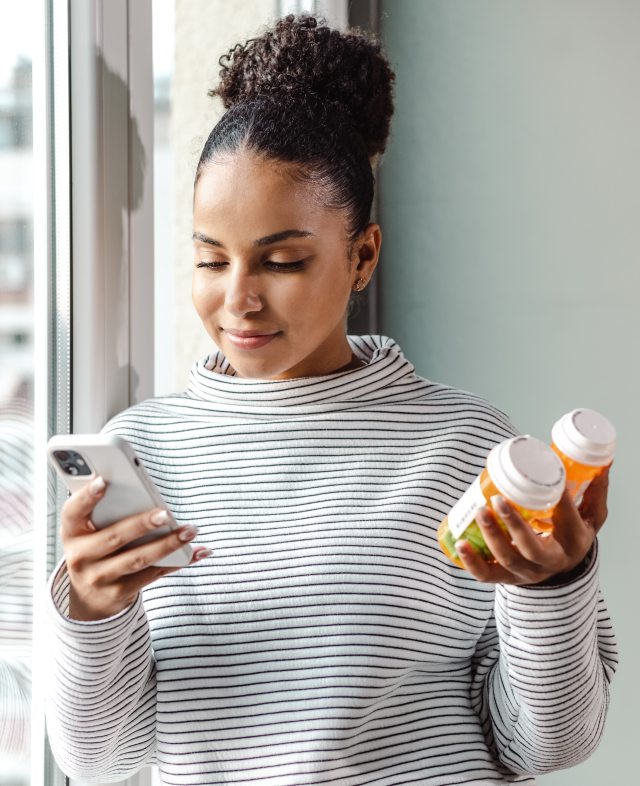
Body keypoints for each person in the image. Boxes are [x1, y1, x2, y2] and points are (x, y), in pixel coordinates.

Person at [44, 15, 617, 786]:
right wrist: (91, 611)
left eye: (281, 260)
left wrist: (552, 587)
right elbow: (101, 760)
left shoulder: (464, 445)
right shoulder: (141, 452)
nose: (238, 298)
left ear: (362, 256)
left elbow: (548, 745)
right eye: (211, 259)